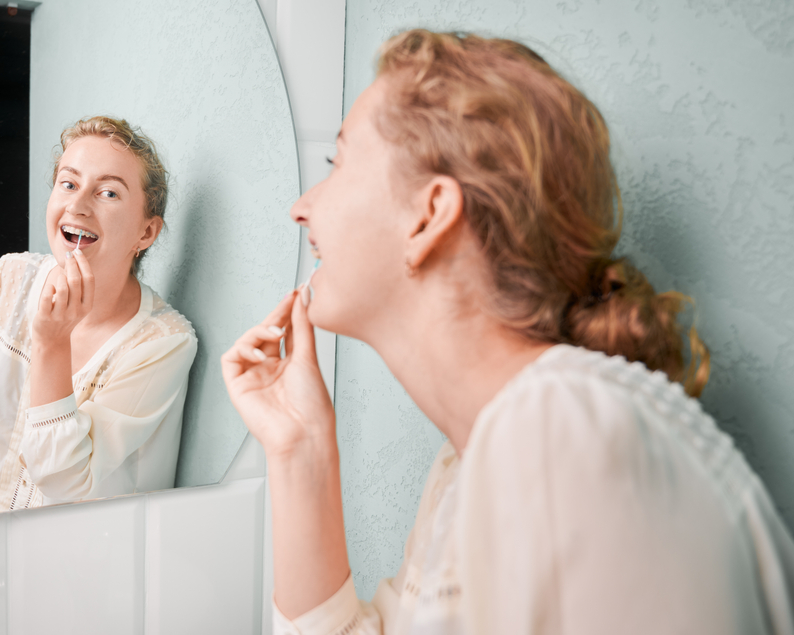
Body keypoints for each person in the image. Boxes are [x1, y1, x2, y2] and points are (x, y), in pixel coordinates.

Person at [222, 30, 794, 634]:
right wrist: (300, 449)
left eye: (337, 163)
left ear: (429, 215)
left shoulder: (563, 431)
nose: (301, 206)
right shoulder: (471, 468)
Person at [0, 116, 197, 516]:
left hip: (83, 571)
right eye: (68, 184)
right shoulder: (10, 278)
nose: (77, 204)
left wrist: (52, 343)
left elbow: (65, 482)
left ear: (146, 233)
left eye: (107, 193)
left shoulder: (162, 344)